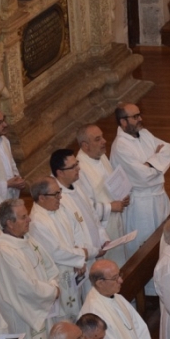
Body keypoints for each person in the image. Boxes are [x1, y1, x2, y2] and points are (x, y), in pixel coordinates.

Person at [0, 198, 61, 339]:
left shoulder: (26, 239)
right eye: (23, 217)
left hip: (41, 307)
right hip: (24, 317)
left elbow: (48, 266)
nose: (29, 219)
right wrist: (52, 291)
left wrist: (53, 285)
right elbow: (25, 287)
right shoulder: (4, 251)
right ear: (10, 223)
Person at [110, 102, 170, 256]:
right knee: (146, 249)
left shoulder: (144, 134)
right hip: (141, 205)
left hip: (160, 197)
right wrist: (155, 158)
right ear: (123, 121)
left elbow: (168, 150)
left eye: (139, 114)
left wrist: (149, 163)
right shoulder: (121, 146)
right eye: (135, 116)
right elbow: (144, 177)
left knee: (168, 241)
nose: (140, 118)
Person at [29, 177, 88, 321]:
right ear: (41, 198)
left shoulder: (60, 207)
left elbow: (76, 229)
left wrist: (79, 254)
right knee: (64, 317)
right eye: (55, 194)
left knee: (77, 308)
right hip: (59, 274)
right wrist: (80, 256)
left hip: (73, 269)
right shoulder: (37, 221)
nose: (60, 196)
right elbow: (55, 251)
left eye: (59, 191)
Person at [76, 124, 130, 266]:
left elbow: (112, 182)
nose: (104, 141)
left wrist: (122, 194)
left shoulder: (101, 156)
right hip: (102, 228)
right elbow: (84, 207)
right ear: (85, 145)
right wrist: (110, 207)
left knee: (120, 262)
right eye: (98, 139)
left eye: (103, 137)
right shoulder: (80, 169)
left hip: (115, 220)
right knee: (108, 265)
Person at [51, 148, 108, 278]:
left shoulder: (76, 185)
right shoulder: (58, 199)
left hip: (96, 249)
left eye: (77, 163)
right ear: (60, 172)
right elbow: (70, 234)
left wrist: (103, 237)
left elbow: (92, 215)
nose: (78, 168)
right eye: (73, 167)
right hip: (83, 257)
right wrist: (86, 254)